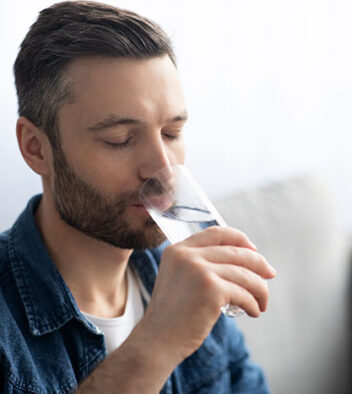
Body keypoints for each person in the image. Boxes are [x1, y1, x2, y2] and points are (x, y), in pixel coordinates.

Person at [0, 1, 276, 393]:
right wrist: (155, 346)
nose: (162, 168)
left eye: (172, 133)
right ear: (36, 148)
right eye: (120, 139)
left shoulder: (189, 277)